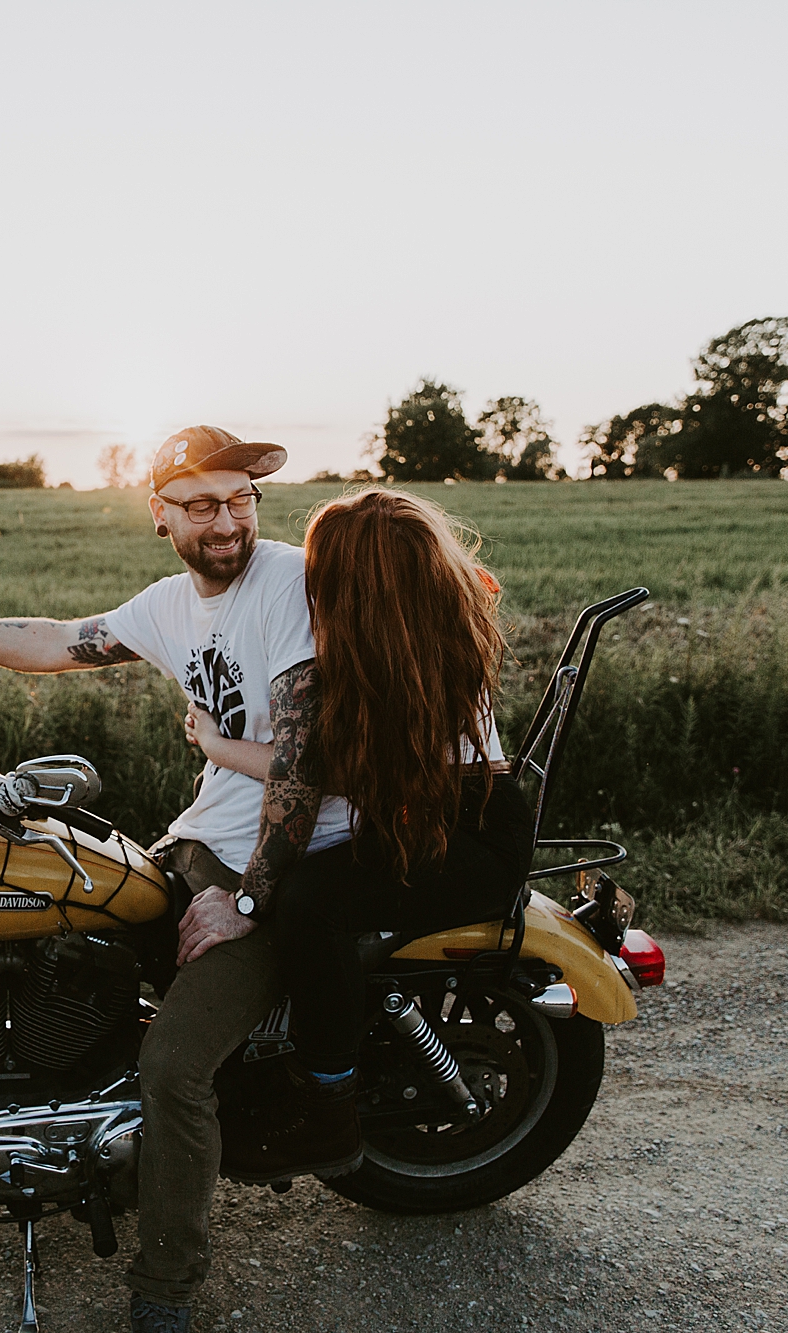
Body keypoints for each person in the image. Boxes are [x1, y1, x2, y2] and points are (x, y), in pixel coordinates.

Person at [0, 425, 351, 1333]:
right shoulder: (172, 604)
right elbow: (59, 641)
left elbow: (306, 760)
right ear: (159, 514)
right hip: (200, 841)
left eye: (240, 498)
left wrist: (250, 898)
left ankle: (166, 1283)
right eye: (202, 504)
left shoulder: (286, 582)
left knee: (172, 1067)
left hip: (282, 863)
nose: (228, 521)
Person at [182, 487, 531, 1180]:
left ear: (364, 587)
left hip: (471, 842)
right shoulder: (413, 630)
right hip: (431, 822)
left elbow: (329, 773)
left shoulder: (418, 664)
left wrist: (218, 746)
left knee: (312, 902)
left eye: (325, 572)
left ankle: (325, 1105)